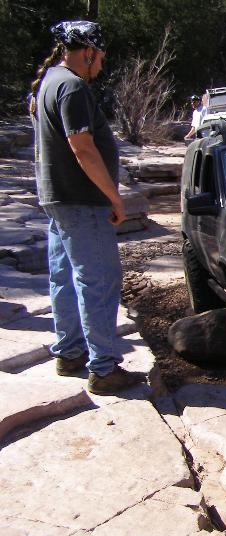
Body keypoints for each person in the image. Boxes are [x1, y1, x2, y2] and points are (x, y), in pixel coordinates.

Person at [29, 20, 145, 395]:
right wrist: (114, 196)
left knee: (64, 277)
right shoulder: (71, 86)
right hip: (81, 200)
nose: (102, 65)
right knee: (99, 281)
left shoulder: (50, 81)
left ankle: (69, 352)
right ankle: (104, 369)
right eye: (101, 58)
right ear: (89, 52)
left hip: (58, 199)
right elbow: (82, 147)